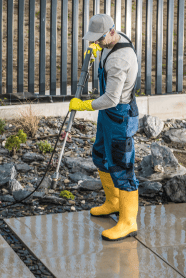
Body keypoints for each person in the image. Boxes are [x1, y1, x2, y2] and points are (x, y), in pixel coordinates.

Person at [69, 14, 139, 241]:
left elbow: (111, 98)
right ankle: (113, 201)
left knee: (122, 166)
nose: (96, 42)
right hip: (107, 116)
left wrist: (84, 105)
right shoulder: (114, 40)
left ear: (111, 31)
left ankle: (128, 222)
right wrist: (98, 51)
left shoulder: (119, 60)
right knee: (100, 155)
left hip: (119, 115)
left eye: (98, 39)